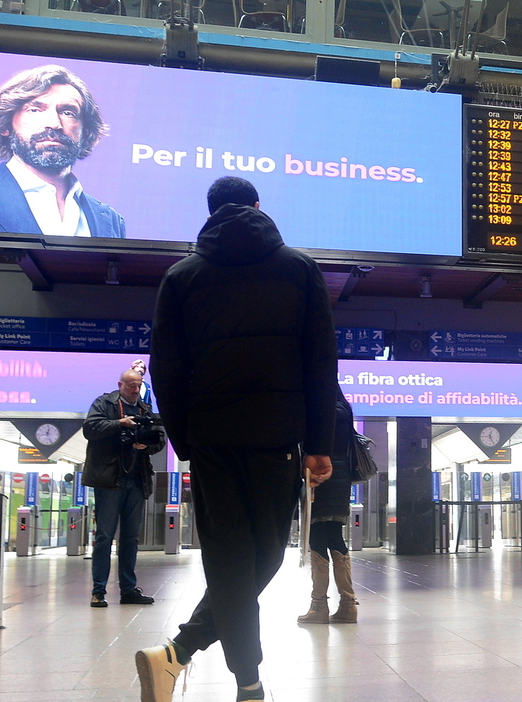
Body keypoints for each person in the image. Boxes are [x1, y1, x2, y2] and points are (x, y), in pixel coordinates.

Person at [139, 176, 338, 702]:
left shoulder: (181, 276)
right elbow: (321, 363)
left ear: (208, 212)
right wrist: (320, 442)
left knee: (230, 560)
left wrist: (186, 439)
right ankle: (214, 668)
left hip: (213, 441)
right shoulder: (298, 269)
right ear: (256, 206)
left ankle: (199, 663)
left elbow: (166, 369)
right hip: (278, 439)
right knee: (266, 557)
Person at [0, 65, 126, 238]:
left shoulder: (109, 221)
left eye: (68, 112)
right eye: (35, 110)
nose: (54, 123)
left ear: (85, 132)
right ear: (6, 125)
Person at [81, 369, 163, 608]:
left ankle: (128, 590)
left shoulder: (145, 409)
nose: (135, 390)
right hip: (109, 479)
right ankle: (99, 591)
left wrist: (144, 445)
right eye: (130, 386)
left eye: (138, 386)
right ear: (120, 385)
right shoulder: (103, 403)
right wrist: (119, 424)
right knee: (105, 537)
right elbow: (90, 429)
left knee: (130, 538)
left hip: (137, 480)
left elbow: (159, 440)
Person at [297, 387, 358, 625]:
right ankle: (348, 605)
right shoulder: (344, 410)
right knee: (334, 536)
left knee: (317, 539)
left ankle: (319, 606)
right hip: (340, 481)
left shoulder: (325, 413)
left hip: (322, 478)